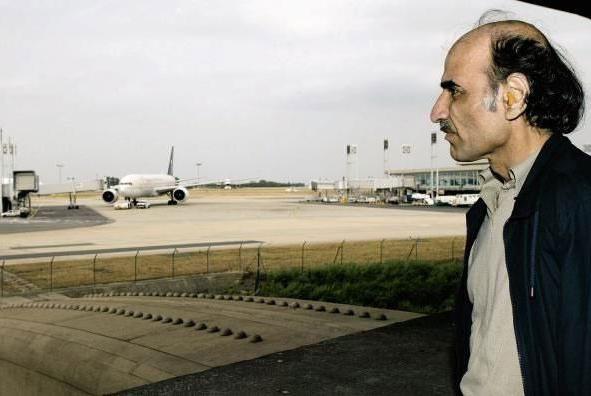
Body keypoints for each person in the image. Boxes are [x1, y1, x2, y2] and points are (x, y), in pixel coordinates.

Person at [430, 17, 590, 395]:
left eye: (455, 91)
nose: (437, 111)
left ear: (513, 96)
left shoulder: (579, 201)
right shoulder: (490, 206)